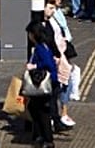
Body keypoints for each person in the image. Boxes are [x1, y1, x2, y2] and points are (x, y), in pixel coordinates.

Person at [28, 20, 63, 148]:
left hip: (46, 83)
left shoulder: (40, 48)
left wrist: (34, 65)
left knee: (42, 112)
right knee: (36, 109)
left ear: (33, 34)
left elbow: (48, 63)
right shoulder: (44, 45)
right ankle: (40, 136)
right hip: (51, 82)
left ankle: (46, 139)